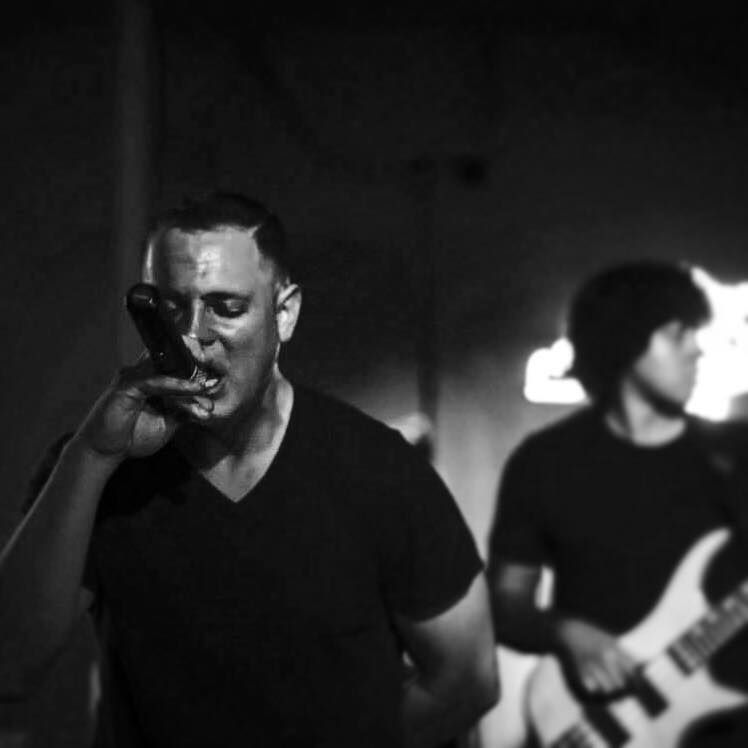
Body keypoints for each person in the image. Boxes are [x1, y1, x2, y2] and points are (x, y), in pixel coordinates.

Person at [0, 191, 498, 748]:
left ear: (284, 314)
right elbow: (10, 665)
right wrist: (92, 454)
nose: (194, 334)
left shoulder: (379, 471)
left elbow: (468, 679)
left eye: (226, 307)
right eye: (170, 309)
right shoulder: (100, 468)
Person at [488, 260, 748, 747]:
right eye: (678, 333)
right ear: (626, 341)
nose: (697, 348)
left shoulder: (736, 454)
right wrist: (565, 632)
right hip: (594, 723)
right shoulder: (545, 462)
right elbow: (505, 605)